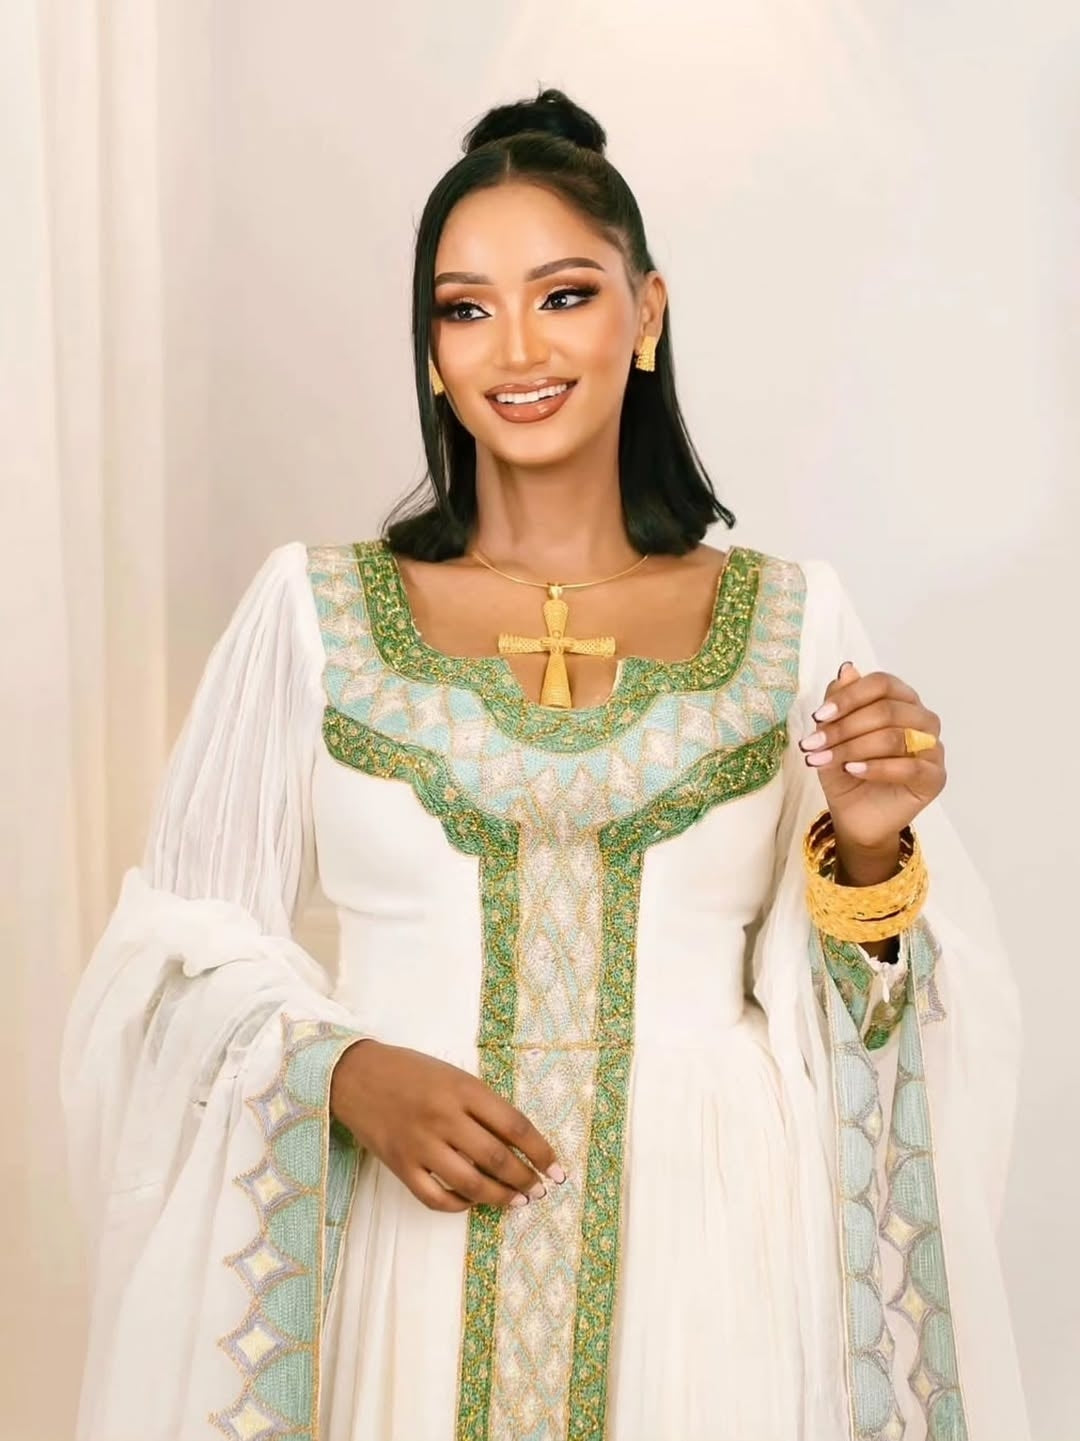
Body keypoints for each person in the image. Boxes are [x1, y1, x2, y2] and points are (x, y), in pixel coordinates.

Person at [61, 87, 1031, 1441]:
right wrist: (342, 1073)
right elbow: (162, 967)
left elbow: (868, 1029)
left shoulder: (794, 621)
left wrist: (868, 849)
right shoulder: (311, 614)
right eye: (464, 309)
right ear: (433, 353)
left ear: (647, 315)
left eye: (564, 294)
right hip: (406, 1248)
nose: (513, 346)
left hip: (709, 1280)